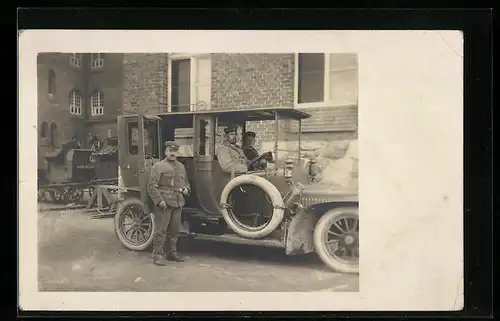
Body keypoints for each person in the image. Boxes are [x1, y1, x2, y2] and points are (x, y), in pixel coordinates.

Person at [147, 141, 191, 266]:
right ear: (166, 152)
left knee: (175, 230)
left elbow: (187, 183)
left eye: (175, 151)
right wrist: (159, 201)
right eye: (170, 151)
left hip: (178, 202)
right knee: (161, 230)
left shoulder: (181, 167)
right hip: (164, 202)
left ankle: (172, 252)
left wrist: (186, 189)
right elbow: (151, 186)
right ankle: (158, 255)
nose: (172, 153)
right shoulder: (158, 167)